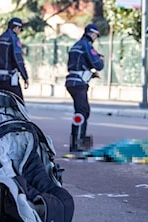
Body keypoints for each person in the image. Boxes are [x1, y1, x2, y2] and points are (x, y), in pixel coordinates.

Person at [65, 23, 104, 152]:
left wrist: (91, 74)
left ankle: (78, 139)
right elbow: (97, 64)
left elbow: (78, 64)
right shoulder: (86, 46)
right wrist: (100, 59)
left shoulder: (77, 45)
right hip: (79, 83)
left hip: (72, 81)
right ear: (92, 34)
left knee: (83, 110)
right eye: (96, 36)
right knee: (81, 112)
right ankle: (76, 143)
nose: (95, 38)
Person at [0, 17, 29, 102]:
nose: (19, 32)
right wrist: (25, 77)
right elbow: (18, 60)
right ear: (16, 28)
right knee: (18, 103)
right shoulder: (14, 39)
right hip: (9, 78)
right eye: (20, 29)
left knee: (3, 104)